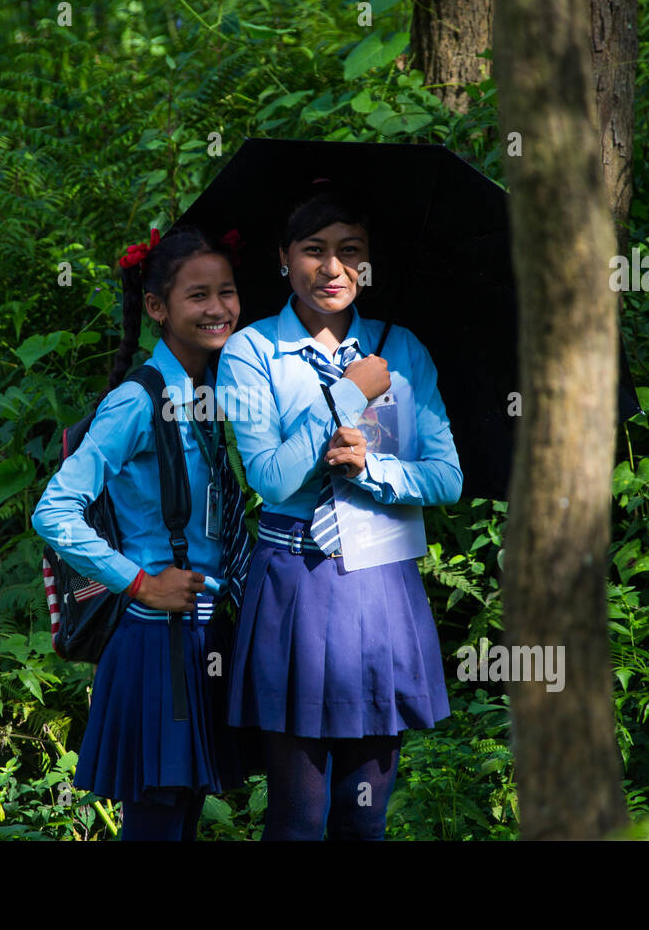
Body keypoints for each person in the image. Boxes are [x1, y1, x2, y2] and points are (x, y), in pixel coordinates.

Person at [217, 184, 463, 840]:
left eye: (350, 252)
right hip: (293, 584)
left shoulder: (400, 348)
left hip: (381, 588)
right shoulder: (251, 352)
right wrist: (347, 395)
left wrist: (374, 469)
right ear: (283, 259)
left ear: (368, 262)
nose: (333, 269)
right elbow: (269, 478)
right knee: (296, 818)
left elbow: (446, 478)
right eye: (314, 251)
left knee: (364, 819)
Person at [32, 227, 247, 841]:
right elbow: (54, 511)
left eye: (226, 292)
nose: (217, 308)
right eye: (198, 295)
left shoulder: (208, 393)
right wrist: (140, 583)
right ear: (157, 307)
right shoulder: (136, 401)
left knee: (180, 818)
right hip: (157, 642)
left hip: (202, 631)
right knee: (155, 821)